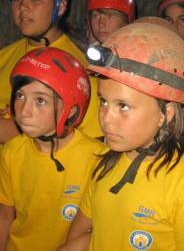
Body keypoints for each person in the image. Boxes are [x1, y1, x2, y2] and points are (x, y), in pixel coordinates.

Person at [63, 20, 184, 250]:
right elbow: (87, 235)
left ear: (165, 113)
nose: (106, 118)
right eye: (104, 102)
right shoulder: (106, 164)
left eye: (123, 106)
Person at [0, 48, 108, 250]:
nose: (24, 111)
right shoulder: (12, 151)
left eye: (40, 101)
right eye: (20, 96)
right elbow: (5, 216)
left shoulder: (97, 158)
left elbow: (101, 230)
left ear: (72, 109)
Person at [0, 0, 102, 145]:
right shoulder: (4, 56)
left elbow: (89, 144)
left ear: (60, 7)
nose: (23, 7)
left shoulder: (77, 67)